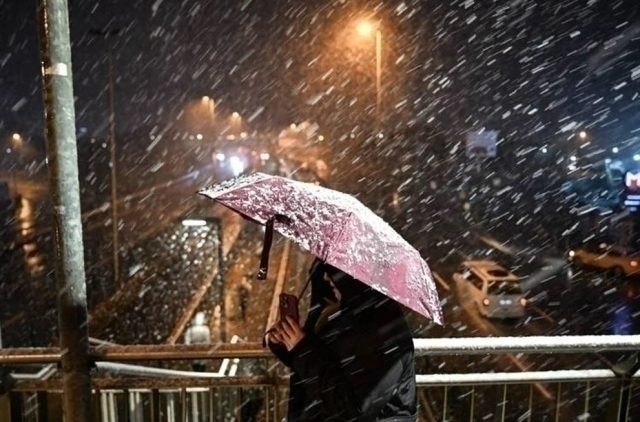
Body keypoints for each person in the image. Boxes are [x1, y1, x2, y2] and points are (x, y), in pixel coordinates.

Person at [265, 259, 417, 421]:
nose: (327, 278)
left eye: (334, 272)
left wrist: (301, 347)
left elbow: (353, 409)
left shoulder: (383, 332)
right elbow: (325, 363)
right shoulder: (347, 313)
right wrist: (288, 344)